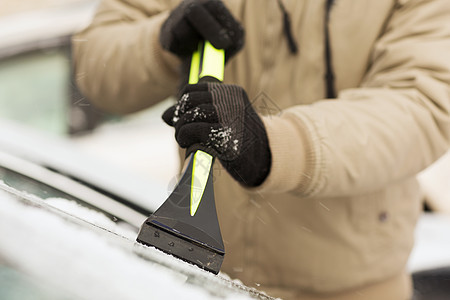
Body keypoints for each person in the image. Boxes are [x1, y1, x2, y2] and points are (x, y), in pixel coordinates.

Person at [72, 0, 450, 299]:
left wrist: (277, 147)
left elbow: (423, 103)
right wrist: (159, 42)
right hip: (199, 277)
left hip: (351, 290)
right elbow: (94, 72)